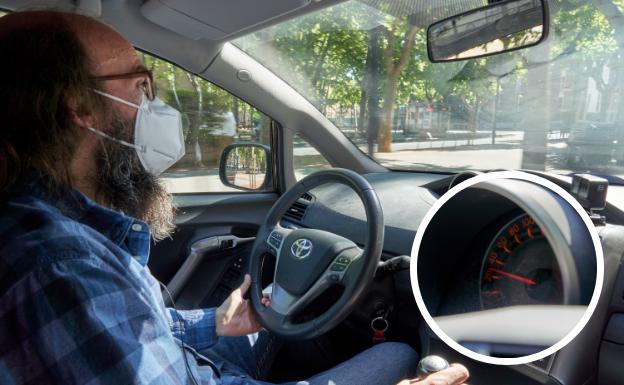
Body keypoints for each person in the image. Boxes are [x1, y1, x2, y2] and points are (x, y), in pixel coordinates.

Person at [0, 10, 470, 385]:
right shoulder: (58, 266)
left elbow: (140, 329)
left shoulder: (55, 224)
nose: (155, 103)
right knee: (398, 353)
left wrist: (218, 324)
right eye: (141, 84)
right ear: (78, 108)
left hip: (189, 365)